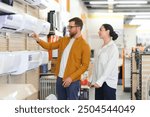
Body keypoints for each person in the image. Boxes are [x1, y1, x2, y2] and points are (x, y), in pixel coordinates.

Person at [31, 17, 91, 100]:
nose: (68, 29)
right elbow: (50, 46)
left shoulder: (85, 45)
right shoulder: (64, 40)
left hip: (73, 81)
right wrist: (38, 39)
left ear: (78, 28)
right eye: (68, 27)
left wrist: (71, 78)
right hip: (60, 78)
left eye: (71, 27)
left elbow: (85, 66)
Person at [90, 24, 119, 100]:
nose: (98, 31)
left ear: (108, 31)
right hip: (99, 82)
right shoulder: (100, 47)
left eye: (101, 30)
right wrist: (92, 80)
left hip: (108, 83)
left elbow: (109, 67)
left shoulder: (113, 48)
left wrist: (99, 82)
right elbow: (96, 65)